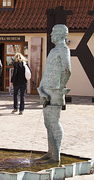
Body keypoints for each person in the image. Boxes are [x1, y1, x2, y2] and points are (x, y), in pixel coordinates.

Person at [37, 24, 71, 162]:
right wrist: (41, 88)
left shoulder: (63, 50)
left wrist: (60, 89)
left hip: (54, 91)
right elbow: (47, 73)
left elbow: (67, 71)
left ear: (61, 34)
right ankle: (50, 152)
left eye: (53, 33)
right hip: (46, 90)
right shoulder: (53, 51)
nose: (51, 35)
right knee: (47, 123)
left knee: (54, 122)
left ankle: (56, 155)